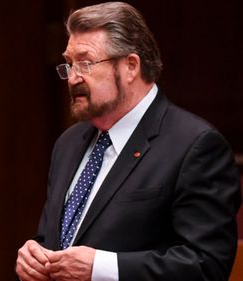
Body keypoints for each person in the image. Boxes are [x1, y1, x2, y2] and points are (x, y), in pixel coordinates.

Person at [16, 2, 241, 281]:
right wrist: (34, 255)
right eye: (69, 64)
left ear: (131, 66)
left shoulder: (195, 145)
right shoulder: (69, 143)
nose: (72, 77)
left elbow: (206, 266)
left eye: (85, 62)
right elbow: (60, 241)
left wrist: (100, 269)